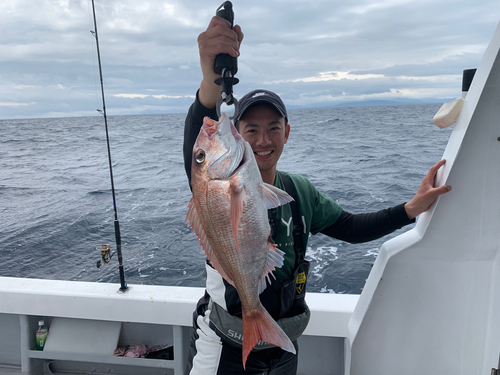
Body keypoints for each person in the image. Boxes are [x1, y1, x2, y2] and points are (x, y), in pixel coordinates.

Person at [182, 15, 452, 375]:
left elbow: (351, 228)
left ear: (287, 133)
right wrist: (210, 80)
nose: (262, 141)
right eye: (251, 130)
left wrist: (411, 209)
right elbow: (198, 151)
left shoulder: (299, 192)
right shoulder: (214, 185)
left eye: (273, 128)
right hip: (223, 347)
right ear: (239, 134)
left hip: (283, 344)